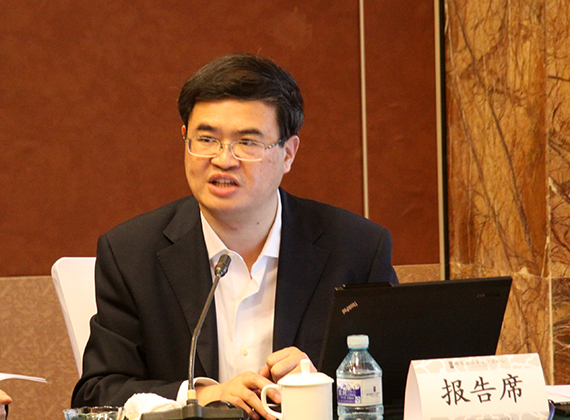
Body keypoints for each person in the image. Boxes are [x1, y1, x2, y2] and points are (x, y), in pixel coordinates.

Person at [72, 54, 398, 419]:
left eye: (247, 142)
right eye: (206, 139)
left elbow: (397, 388)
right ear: (184, 139)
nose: (223, 159)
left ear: (288, 153)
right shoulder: (131, 253)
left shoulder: (356, 249)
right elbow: (98, 393)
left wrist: (322, 386)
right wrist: (200, 395)